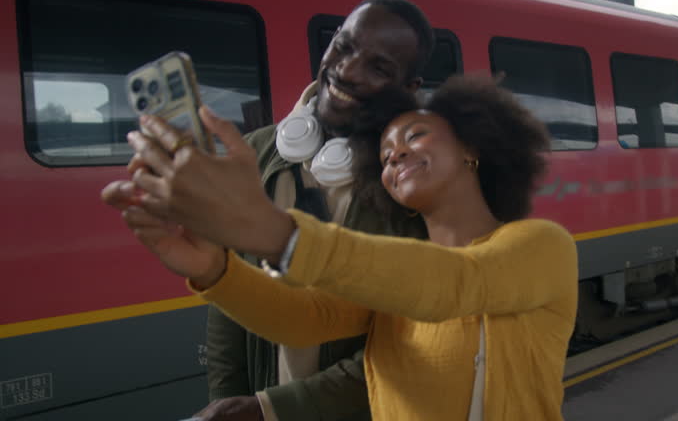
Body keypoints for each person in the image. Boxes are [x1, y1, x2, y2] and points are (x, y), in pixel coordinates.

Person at [105, 75, 578, 419]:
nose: (397, 155)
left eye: (415, 135)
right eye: (386, 157)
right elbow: (306, 318)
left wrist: (271, 230)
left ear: (471, 148)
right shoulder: (395, 280)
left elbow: (458, 284)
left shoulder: (540, 245)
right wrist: (215, 270)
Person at [103, 0, 434, 421]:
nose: (347, 70)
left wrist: (268, 410)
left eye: (379, 67)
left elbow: (405, 348)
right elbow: (227, 320)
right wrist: (228, 401)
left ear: (409, 89)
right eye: (344, 46)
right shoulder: (256, 151)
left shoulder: (418, 183)